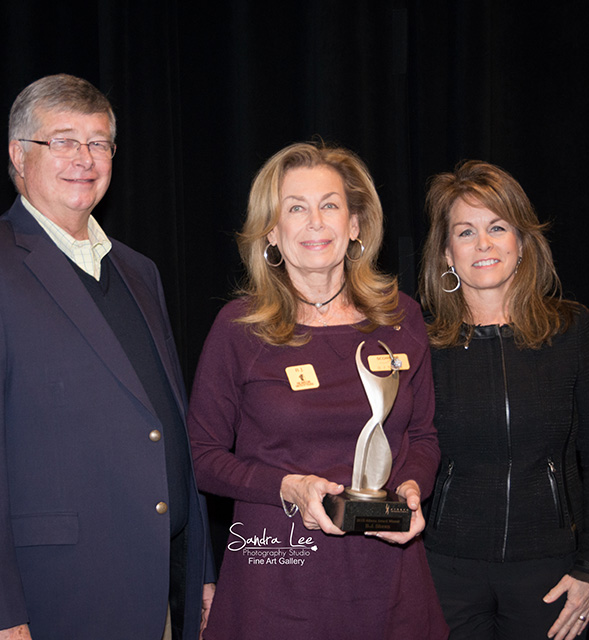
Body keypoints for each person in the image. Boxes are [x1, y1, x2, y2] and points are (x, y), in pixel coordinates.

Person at [0, 74, 214, 640]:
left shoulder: (139, 271)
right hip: (54, 601)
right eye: (63, 141)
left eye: (98, 143)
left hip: (161, 594)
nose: (84, 158)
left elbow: (168, 429)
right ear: (18, 155)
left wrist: (202, 570)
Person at [186, 142, 449, 639]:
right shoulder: (240, 328)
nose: (315, 223)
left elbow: (423, 437)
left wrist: (413, 489)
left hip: (388, 579)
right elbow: (202, 456)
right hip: (277, 574)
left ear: (355, 225)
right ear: (272, 231)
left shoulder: (402, 318)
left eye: (329, 205)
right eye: (295, 208)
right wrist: (288, 487)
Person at [418, 160, 589, 640]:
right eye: (465, 232)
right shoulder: (421, 341)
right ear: (447, 254)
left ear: (522, 242)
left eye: (497, 227)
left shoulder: (571, 330)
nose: (483, 244)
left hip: (550, 574)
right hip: (444, 571)